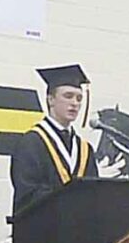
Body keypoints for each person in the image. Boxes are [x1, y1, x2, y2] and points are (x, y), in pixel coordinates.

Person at [9, 65, 98, 213]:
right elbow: (28, 194)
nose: (75, 103)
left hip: (79, 231)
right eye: (68, 96)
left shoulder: (85, 149)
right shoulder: (31, 143)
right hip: (41, 230)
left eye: (79, 98)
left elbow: (95, 194)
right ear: (51, 100)